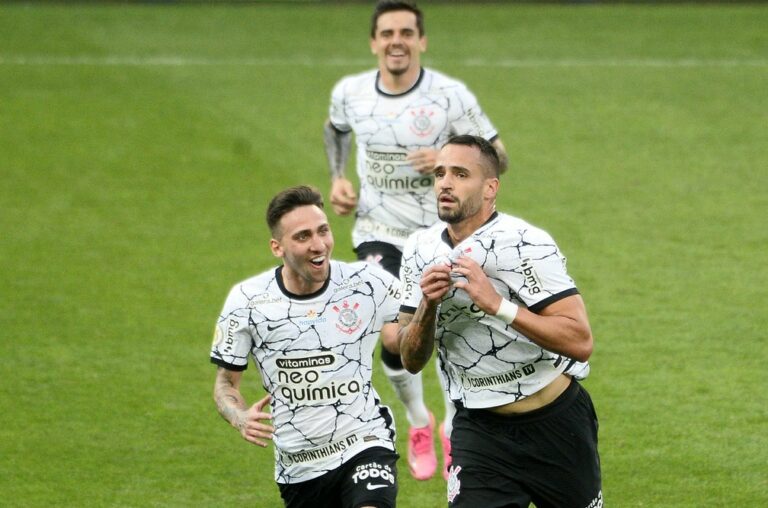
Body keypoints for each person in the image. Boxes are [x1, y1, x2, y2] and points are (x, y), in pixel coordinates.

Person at [323, 0, 508, 481]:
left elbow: (499, 158)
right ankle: (418, 421)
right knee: (392, 336)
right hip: (378, 231)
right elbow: (336, 130)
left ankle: (452, 426)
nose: (397, 41)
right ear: (374, 42)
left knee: (450, 329)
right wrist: (339, 179)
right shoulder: (351, 92)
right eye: (387, 33)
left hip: (444, 234)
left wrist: (447, 161)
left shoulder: (450, 97)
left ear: (421, 40)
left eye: (407, 32)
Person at [397, 135, 602, 507]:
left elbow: (579, 340)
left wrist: (496, 304)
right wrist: (428, 306)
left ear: (491, 187)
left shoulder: (526, 243)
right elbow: (410, 358)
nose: (445, 183)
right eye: (440, 173)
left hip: (555, 425)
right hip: (479, 433)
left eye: (460, 174)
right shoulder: (418, 249)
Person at [211, 186, 401, 508]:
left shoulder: (368, 282)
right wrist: (239, 416)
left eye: (323, 231)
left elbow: (413, 322)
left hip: (365, 440)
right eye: (302, 236)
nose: (318, 245)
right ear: (277, 247)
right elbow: (225, 383)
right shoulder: (247, 301)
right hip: (298, 467)